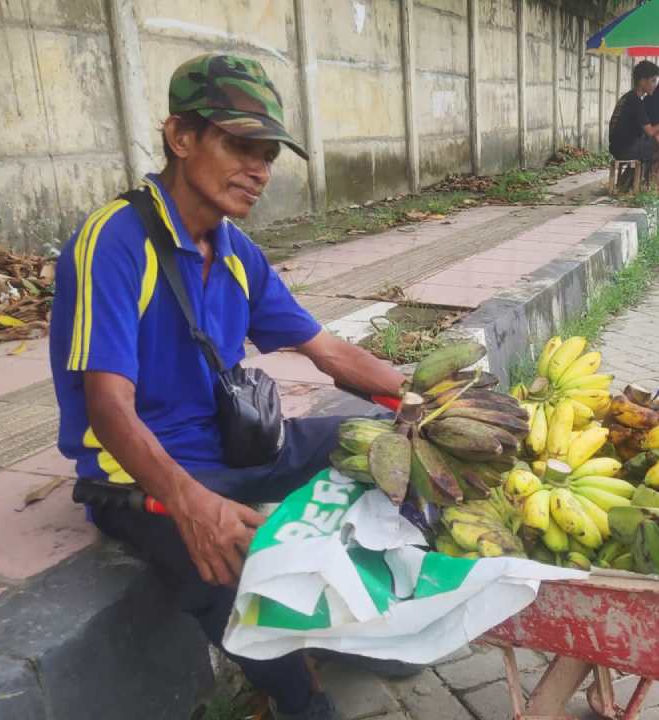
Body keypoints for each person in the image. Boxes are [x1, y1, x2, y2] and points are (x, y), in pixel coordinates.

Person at [49, 53, 409, 720]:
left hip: (240, 447)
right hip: (146, 476)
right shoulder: (116, 240)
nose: (260, 169)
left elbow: (325, 350)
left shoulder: (237, 250)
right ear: (181, 137)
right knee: (225, 559)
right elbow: (108, 404)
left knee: (385, 445)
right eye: (239, 144)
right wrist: (189, 503)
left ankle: (361, 626)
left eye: (268, 152)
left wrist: (417, 404)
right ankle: (302, 701)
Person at [609, 60, 659, 194]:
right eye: (653, 81)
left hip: (617, 147)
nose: (655, 85)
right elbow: (651, 131)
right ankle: (655, 180)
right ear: (642, 81)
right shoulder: (636, 102)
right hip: (626, 149)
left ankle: (628, 182)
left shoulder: (628, 97)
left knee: (656, 147)